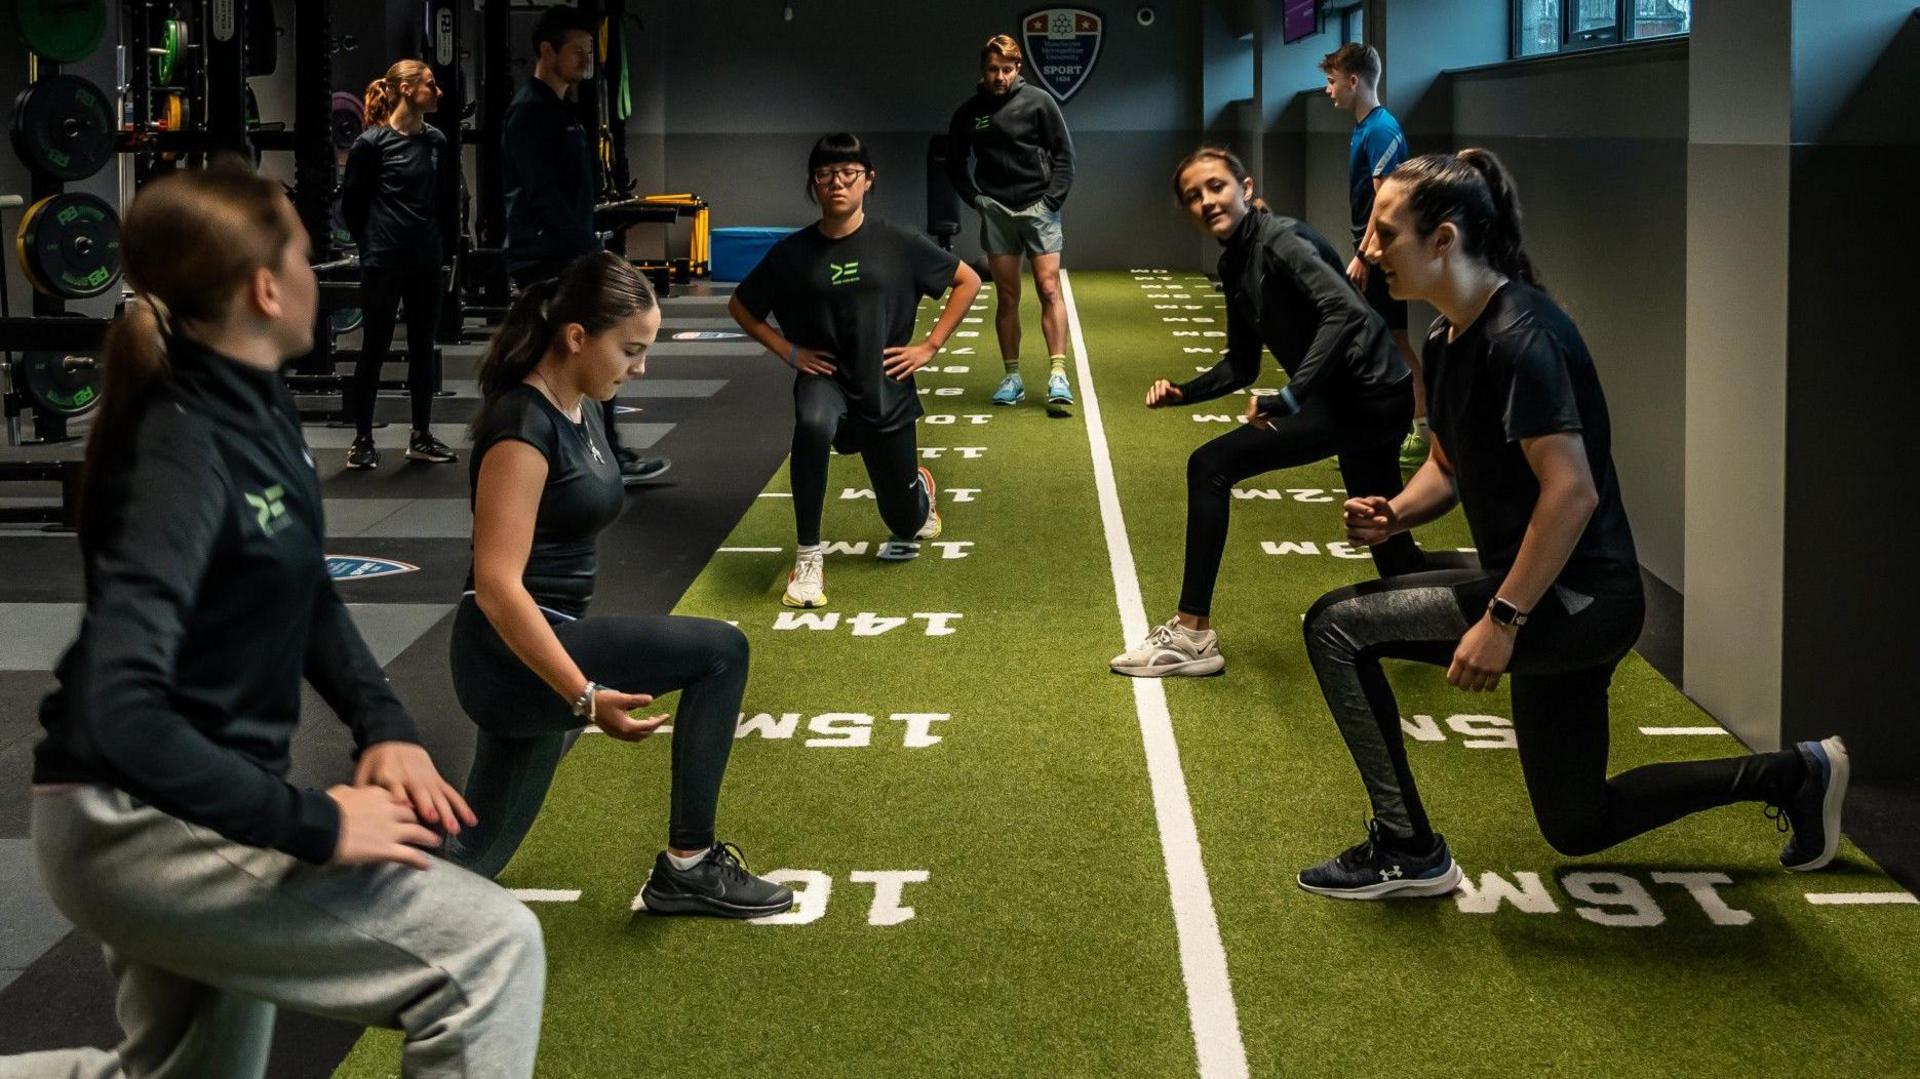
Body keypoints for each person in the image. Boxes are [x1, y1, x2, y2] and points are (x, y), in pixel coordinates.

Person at [10, 162, 544, 1077]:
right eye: (304, 252)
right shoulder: (179, 448)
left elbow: (305, 590)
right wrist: (308, 823)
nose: (318, 269)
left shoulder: (255, 408)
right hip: (136, 821)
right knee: (486, 951)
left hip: (187, 798)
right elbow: (117, 710)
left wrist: (383, 723)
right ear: (266, 286)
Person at [1294, 149, 1848, 899]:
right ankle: (1796, 773)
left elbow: (1571, 493)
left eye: (1385, 234)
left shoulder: (1523, 335)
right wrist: (1395, 511)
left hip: (1580, 599)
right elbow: (1452, 468)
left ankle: (1406, 845)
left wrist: (1502, 616)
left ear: (1446, 239)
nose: (1366, 251)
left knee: (1335, 625)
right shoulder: (1445, 337)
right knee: (1577, 822)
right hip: (1545, 589)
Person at [447, 250, 793, 918]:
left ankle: (316, 903)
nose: (640, 366)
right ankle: (689, 865)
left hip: (544, 643)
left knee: (472, 860)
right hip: (508, 652)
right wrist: (582, 695)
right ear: (576, 337)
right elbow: (495, 584)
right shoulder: (522, 423)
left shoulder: (584, 403)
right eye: (629, 350)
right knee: (722, 649)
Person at [1109, 148, 1433, 678]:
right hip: (1361, 397)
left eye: (1216, 186)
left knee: (1210, 464)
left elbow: (1345, 311)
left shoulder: (1280, 239)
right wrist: (1184, 393)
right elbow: (1240, 364)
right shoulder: (1235, 258)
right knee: (1382, 527)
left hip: (1368, 398)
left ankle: (1192, 634)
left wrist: (1292, 396)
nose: (1207, 200)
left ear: (1244, 185)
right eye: (1193, 195)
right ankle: (1443, 621)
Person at [729, 133, 982, 609]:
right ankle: (808, 556)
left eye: (848, 174)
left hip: (885, 385)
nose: (836, 184)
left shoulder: (898, 241)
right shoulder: (792, 255)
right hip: (825, 380)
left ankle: (919, 491)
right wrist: (789, 352)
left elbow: (967, 279)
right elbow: (741, 306)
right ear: (813, 184)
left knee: (904, 521)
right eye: (825, 176)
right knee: (812, 424)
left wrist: (930, 346)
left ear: (869, 180)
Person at [503, 5, 669, 486]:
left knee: (593, 352)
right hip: (548, 257)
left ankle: (603, 452)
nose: (587, 58)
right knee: (564, 355)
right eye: (577, 50)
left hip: (570, 251)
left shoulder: (563, 110)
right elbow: (543, 196)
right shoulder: (530, 111)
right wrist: (590, 254)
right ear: (546, 51)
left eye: (590, 50)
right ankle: (573, 454)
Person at [945, 33, 1076, 416]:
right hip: (997, 211)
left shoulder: (1039, 102)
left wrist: (1051, 200)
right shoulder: (969, 112)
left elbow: (1064, 155)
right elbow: (954, 162)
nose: (999, 77)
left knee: (1049, 288)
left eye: (1006, 69)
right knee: (1007, 297)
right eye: (992, 70)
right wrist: (976, 200)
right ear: (982, 71)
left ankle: (1057, 374)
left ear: (1018, 68)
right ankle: (1013, 378)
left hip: (1039, 208)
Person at [340, 58, 460, 471]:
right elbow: (353, 206)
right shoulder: (370, 145)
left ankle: (421, 436)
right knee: (374, 346)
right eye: (430, 84)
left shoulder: (437, 142)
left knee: (422, 348)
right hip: (384, 259)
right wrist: (373, 243)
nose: (438, 91)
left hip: (425, 258)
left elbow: (446, 203)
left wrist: (445, 247)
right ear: (407, 90)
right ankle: (362, 439)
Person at [1321, 43, 1427, 476]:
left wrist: (1365, 255)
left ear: (1353, 80)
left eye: (1331, 82)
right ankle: (1384, 427)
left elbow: (1386, 200)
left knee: (1390, 341)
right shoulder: (1365, 127)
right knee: (1385, 339)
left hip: (1381, 255)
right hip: (1372, 252)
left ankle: (1417, 431)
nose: (1328, 91)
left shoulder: (1382, 129)